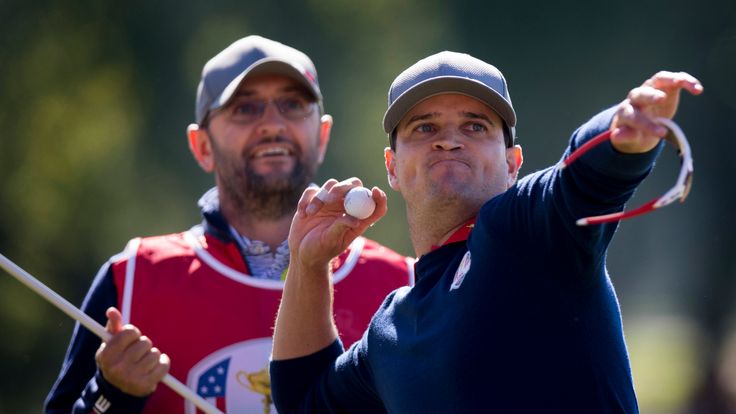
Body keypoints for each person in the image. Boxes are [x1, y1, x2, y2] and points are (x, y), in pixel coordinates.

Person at [270, 51, 703, 412]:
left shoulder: (523, 234)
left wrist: (622, 133)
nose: (449, 141)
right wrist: (307, 265)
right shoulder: (392, 330)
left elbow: (580, 179)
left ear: (513, 164)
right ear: (392, 167)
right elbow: (305, 403)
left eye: (475, 126)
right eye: (425, 128)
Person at [45, 35, 414, 414]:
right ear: (202, 145)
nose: (273, 124)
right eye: (245, 108)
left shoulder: (404, 284)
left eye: (292, 104)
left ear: (322, 136)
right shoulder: (134, 277)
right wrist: (110, 395)